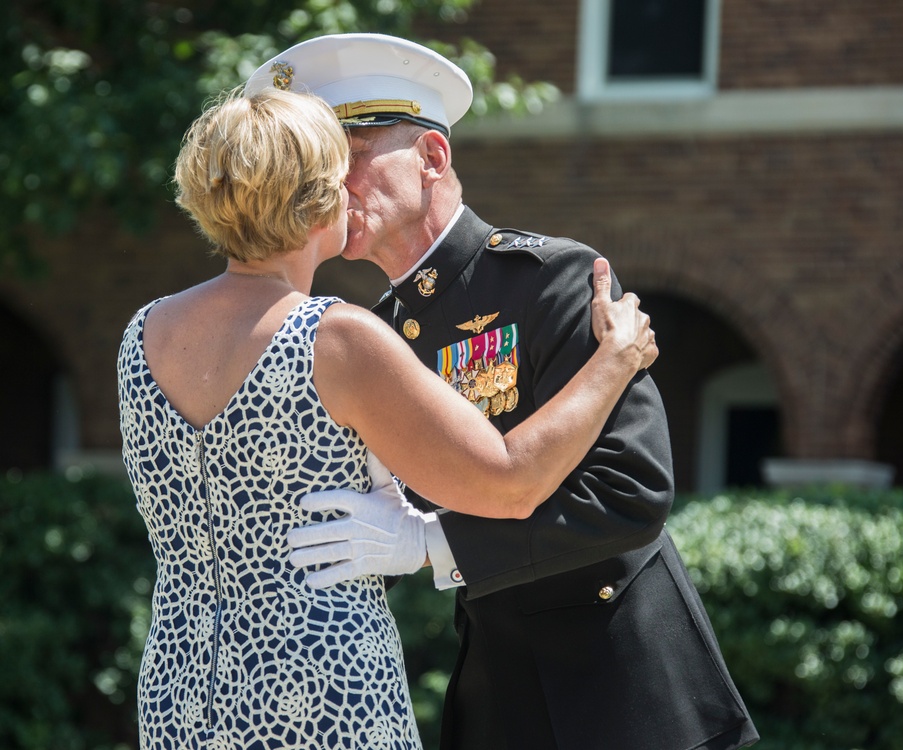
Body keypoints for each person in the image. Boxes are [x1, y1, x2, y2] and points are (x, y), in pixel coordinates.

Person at [249, 34, 759, 750]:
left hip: (626, 691)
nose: (334, 186)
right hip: (499, 691)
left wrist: (430, 543)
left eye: (353, 156)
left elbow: (629, 493)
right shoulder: (369, 335)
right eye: (321, 168)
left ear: (432, 158)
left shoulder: (550, 278)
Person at [117, 86, 659, 750]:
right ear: (319, 195)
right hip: (317, 689)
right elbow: (512, 481)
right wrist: (617, 359)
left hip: (178, 684)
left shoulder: (142, 333)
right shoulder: (339, 338)